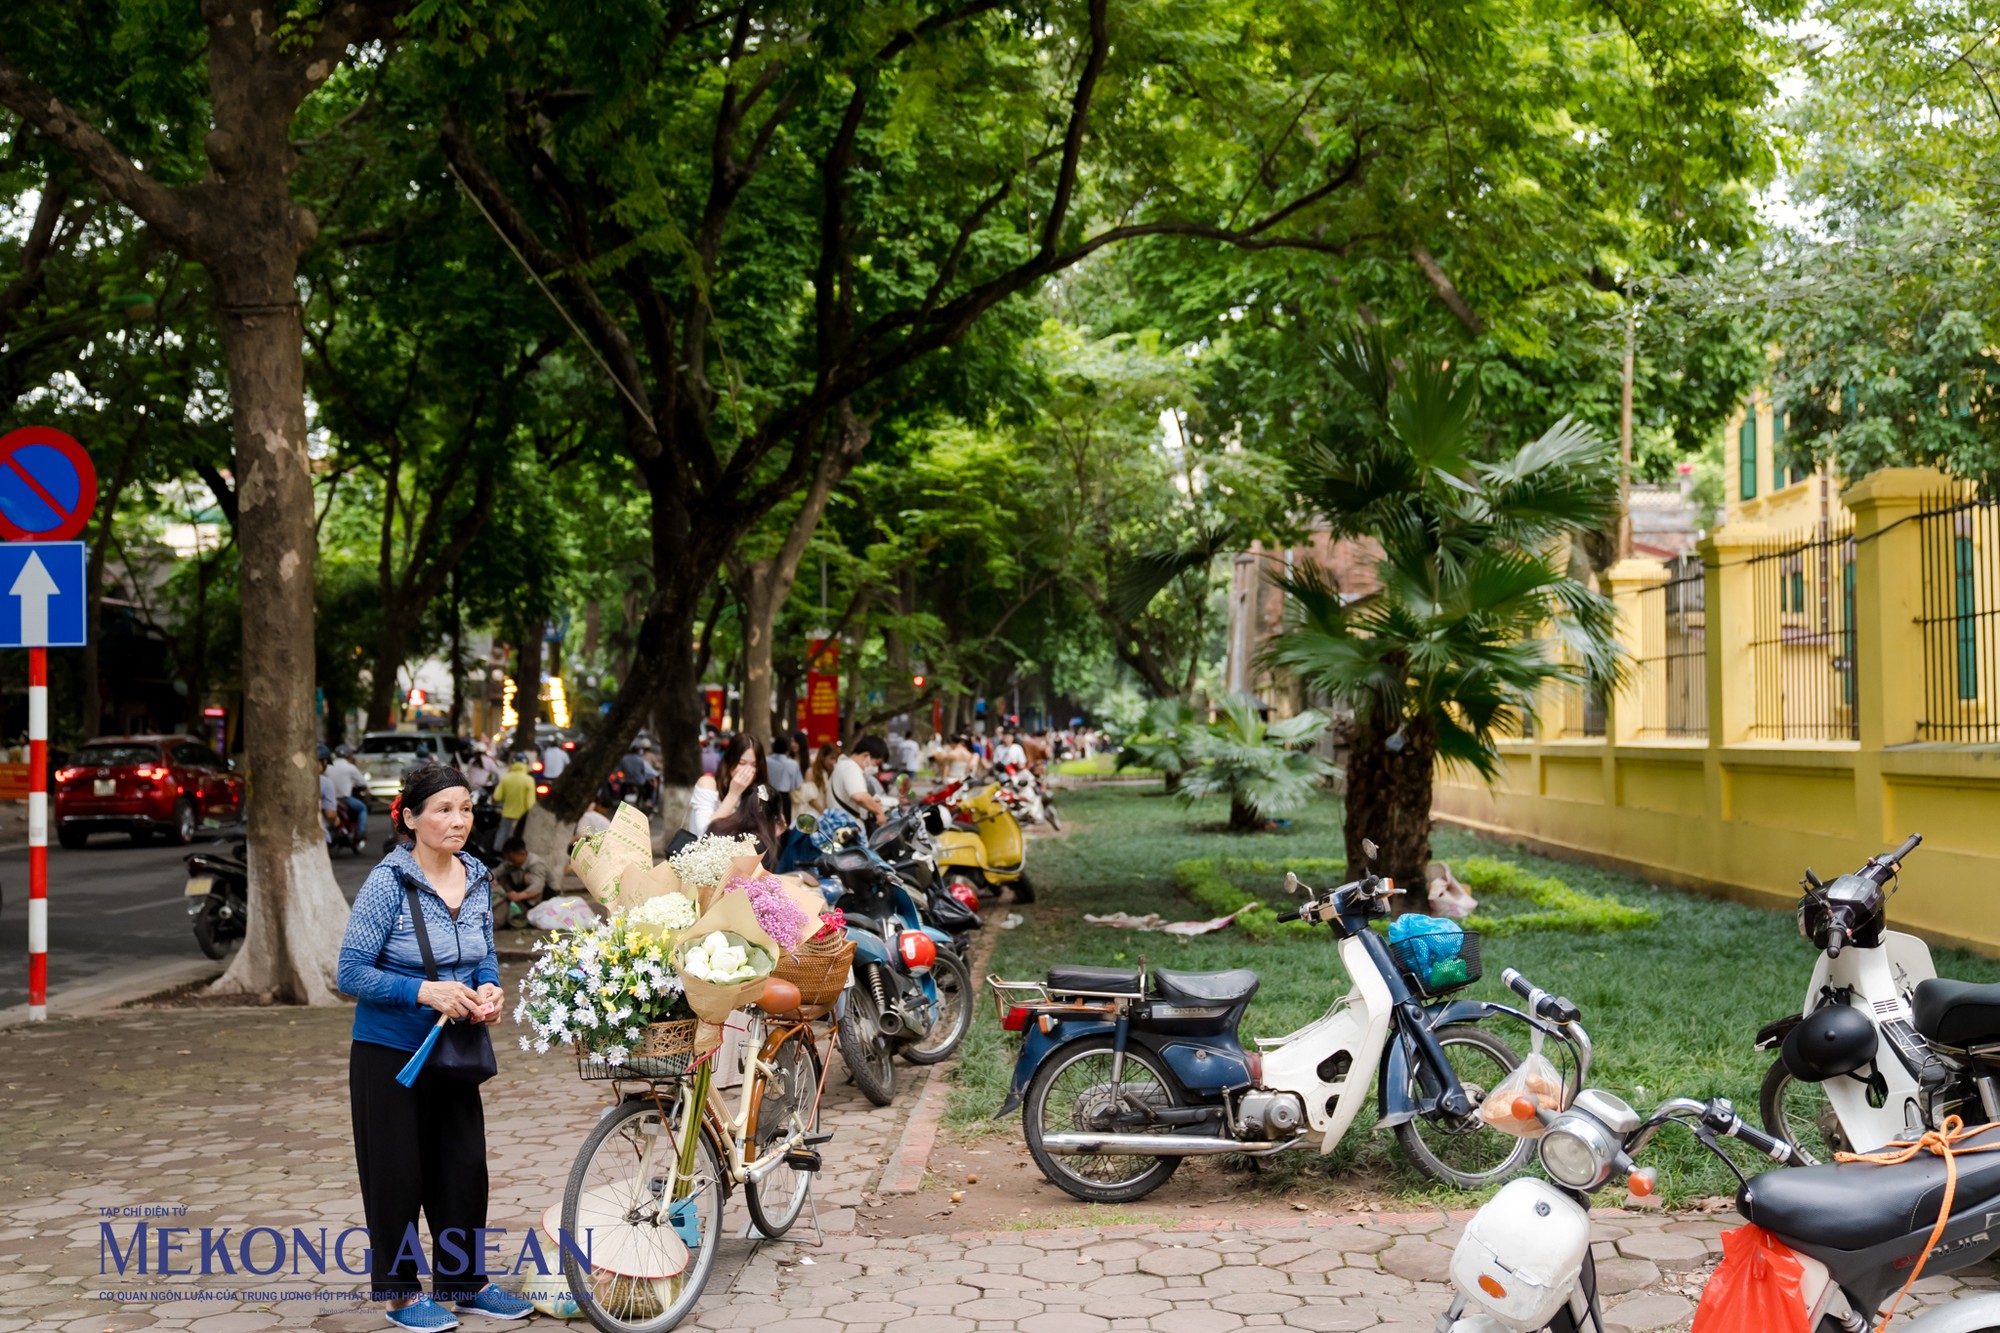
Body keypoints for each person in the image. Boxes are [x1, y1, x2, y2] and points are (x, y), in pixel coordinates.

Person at [335, 764, 530, 1329]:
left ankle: (465, 1283)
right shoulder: (386, 882)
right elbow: (349, 973)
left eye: (465, 808)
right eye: (443, 809)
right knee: (397, 1173)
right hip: (390, 1053)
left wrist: (490, 987)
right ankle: (397, 1293)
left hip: (457, 1050)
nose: (458, 820)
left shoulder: (477, 875)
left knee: (463, 1168)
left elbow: (485, 953)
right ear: (411, 817)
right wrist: (424, 990)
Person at [688, 733, 766, 836]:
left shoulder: (756, 791)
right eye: (742, 763)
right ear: (730, 760)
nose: (747, 770)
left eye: (754, 765)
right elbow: (704, 834)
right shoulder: (708, 784)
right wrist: (733, 794)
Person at [490, 835, 557, 929]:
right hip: (521, 891)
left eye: (512, 859)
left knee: (527, 878)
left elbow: (538, 887)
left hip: (546, 895)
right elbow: (496, 872)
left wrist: (518, 896)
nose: (510, 862)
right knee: (502, 878)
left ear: (522, 853)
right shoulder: (510, 863)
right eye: (508, 859)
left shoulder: (536, 863)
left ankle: (531, 910)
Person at [830, 735, 889, 821]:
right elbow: (859, 796)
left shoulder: (843, 765)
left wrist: (872, 803)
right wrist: (879, 812)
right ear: (866, 756)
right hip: (848, 828)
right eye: (876, 763)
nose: (876, 768)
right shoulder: (851, 767)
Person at [327, 745, 369, 846]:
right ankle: (360, 832)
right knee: (362, 808)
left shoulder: (328, 766)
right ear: (349, 756)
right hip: (344, 799)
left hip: (329, 799)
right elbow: (363, 783)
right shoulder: (350, 768)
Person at [494, 759, 536, 848]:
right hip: (520, 817)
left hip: (506, 814)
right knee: (515, 842)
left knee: (502, 837)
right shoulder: (529, 780)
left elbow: (497, 797)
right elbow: (530, 803)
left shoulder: (506, 777)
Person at [765, 734, 803, 823]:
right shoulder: (793, 764)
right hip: (784, 797)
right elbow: (797, 785)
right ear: (787, 748)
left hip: (768, 794)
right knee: (784, 824)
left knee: (767, 822)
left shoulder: (766, 761)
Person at [798, 741, 840, 817]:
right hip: (812, 815)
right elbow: (810, 799)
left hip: (822, 814)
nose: (833, 762)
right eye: (831, 758)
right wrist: (824, 813)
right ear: (823, 757)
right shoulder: (811, 771)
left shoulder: (827, 773)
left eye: (835, 759)